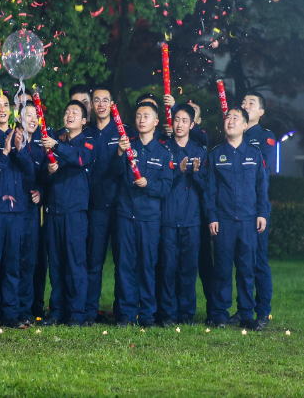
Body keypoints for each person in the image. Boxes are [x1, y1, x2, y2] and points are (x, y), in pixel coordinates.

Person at [205, 107, 269, 331]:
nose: (230, 121)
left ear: (244, 125)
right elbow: (210, 191)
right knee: (221, 269)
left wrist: (262, 213)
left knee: (246, 269)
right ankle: (219, 314)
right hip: (223, 221)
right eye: (227, 117)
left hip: (248, 221)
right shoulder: (215, 154)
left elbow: (261, 188)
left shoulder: (254, 154)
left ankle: (246, 314)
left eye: (236, 118)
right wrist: (212, 217)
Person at [113, 101, 172, 327]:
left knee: (148, 266)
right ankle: (126, 314)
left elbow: (166, 187)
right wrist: (119, 152)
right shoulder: (128, 146)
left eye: (146, 116)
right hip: (126, 215)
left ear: (156, 122)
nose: (141, 119)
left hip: (149, 218)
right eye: (138, 115)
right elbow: (116, 173)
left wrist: (148, 184)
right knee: (126, 265)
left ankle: (147, 314)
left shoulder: (164, 153)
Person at [0, 90, 33, 328]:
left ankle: (10, 312)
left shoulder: (20, 136)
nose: (2, 110)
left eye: (5, 106)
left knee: (13, 263)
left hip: (17, 211)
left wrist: (20, 150)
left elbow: (31, 172)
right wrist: (4, 152)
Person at [40, 100, 94, 327]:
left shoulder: (87, 143)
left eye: (75, 112)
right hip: (54, 211)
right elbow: (44, 175)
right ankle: (57, 310)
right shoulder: (56, 141)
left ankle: (77, 313)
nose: (69, 114)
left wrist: (57, 148)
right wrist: (49, 169)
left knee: (75, 263)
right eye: (66, 111)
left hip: (74, 213)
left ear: (83, 121)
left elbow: (80, 159)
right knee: (56, 263)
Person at [157, 103, 206, 326]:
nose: (179, 124)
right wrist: (177, 171)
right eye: (176, 119)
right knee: (167, 266)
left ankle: (186, 314)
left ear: (192, 125)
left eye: (184, 121)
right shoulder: (163, 149)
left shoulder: (199, 152)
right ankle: (167, 312)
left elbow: (206, 186)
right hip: (167, 218)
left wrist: (195, 174)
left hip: (191, 220)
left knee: (188, 268)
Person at [84, 85, 125, 324]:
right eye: (96, 100)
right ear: (91, 105)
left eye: (105, 100)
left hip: (119, 207)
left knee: (123, 262)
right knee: (94, 261)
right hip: (94, 206)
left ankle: (123, 312)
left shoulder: (122, 132)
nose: (101, 104)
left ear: (112, 105)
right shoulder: (85, 133)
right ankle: (90, 311)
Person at [241, 92, 275, 328]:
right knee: (241, 262)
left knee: (258, 261)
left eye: (251, 103)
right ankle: (243, 311)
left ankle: (263, 311)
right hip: (235, 208)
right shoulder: (233, 135)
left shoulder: (265, 137)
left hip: (256, 206)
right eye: (243, 102)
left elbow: (262, 168)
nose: (245, 105)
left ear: (261, 112)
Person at [17, 104, 45, 326]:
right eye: (28, 115)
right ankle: (5, 307)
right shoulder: (11, 139)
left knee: (28, 263)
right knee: (9, 262)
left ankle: (24, 309)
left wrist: (41, 192)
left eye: (36, 116)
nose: (33, 119)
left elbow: (43, 177)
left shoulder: (41, 146)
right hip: (9, 210)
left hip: (30, 213)